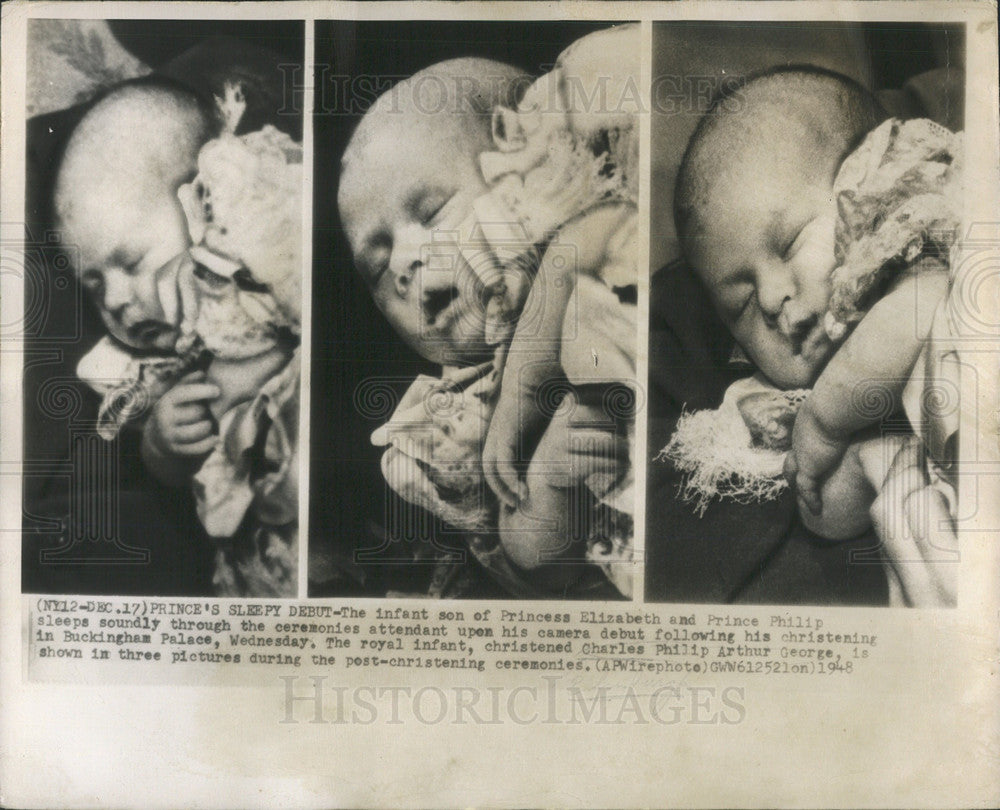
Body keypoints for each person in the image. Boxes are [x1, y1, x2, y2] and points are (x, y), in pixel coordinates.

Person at [337, 50, 636, 593]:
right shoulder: (453, 424)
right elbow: (534, 570)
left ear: (530, 173)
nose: (404, 263)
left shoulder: (596, 253)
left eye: (432, 213)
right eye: (378, 268)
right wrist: (550, 483)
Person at [670, 67, 958, 541]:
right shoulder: (776, 399)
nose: (769, 297)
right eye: (740, 305)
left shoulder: (918, 255)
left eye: (789, 245)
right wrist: (838, 460)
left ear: (871, 186)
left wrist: (824, 424)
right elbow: (828, 517)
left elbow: (918, 313)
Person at [54, 81, 302, 596]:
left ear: (204, 204)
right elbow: (156, 482)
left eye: (132, 262)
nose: (117, 301)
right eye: (94, 285)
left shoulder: (260, 261)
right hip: (253, 551)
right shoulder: (137, 373)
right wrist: (161, 450)